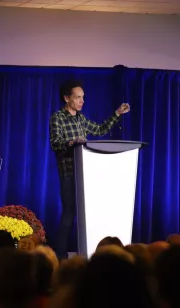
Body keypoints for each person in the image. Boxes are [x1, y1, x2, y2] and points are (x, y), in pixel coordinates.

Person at [49, 79, 130, 259]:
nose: (81, 101)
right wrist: (72, 143)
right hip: (69, 174)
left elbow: (100, 129)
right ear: (66, 98)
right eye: (77, 97)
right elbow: (55, 144)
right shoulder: (58, 117)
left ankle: (88, 255)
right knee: (69, 215)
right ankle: (60, 257)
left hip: (86, 174)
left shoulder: (81, 118)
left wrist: (117, 113)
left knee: (88, 217)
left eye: (82, 97)